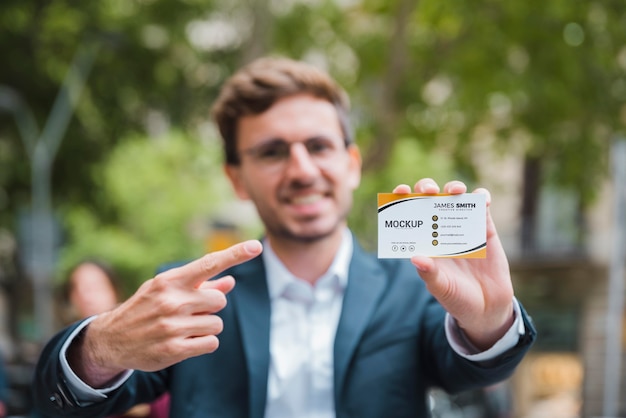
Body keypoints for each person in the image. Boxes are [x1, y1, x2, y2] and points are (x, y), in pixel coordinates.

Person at [32, 56, 536, 418]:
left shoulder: (411, 287)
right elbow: (61, 399)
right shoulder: (193, 294)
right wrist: (101, 348)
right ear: (236, 178)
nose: (301, 170)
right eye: (272, 152)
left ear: (352, 163)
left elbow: (470, 371)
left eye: (318, 145)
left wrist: (490, 323)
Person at [60, 261, 170, 418]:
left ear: (114, 290)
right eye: (77, 289)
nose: (86, 296)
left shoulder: (142, 334)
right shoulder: (64, 349)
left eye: (94, 287)